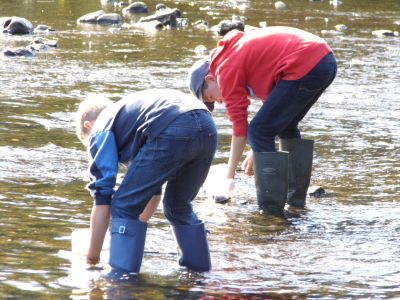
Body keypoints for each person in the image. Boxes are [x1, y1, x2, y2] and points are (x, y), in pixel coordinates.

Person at [188, 26, 337, 216]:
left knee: (258, 130)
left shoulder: (225, 69)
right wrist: (256, 150)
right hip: (324, 60)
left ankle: (270, 210)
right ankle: (296, 200)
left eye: (209, 96)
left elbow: (240, 128)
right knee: (285, 126)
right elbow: (274, 114)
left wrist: (229, 177)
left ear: (210, 78)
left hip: (306, 62)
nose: (217, 101)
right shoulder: (236, 57)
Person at [75, 89, 217, 276]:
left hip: (174, 127)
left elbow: (102, 196)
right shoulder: (133, 119)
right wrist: (126, 232)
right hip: (207, 126)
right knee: (178, 206)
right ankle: (199, 275)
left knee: (123, 205)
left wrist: (91, 259)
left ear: (89, 126)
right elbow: (153, 195)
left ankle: (121, 282)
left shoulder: (100, 128)